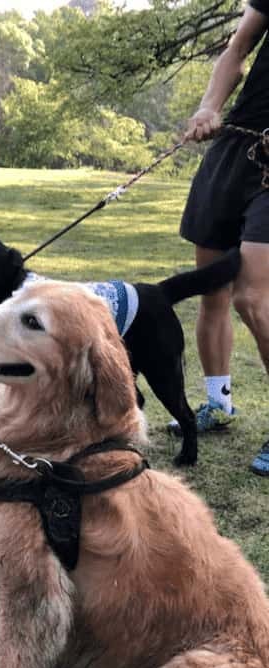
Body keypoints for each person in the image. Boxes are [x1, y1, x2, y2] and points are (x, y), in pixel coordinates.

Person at [172, 0, 269, 475]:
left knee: (252, 296)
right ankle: (218, 403)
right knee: (211, 289)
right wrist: (209, 105)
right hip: (236, 148)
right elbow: (238, 46)